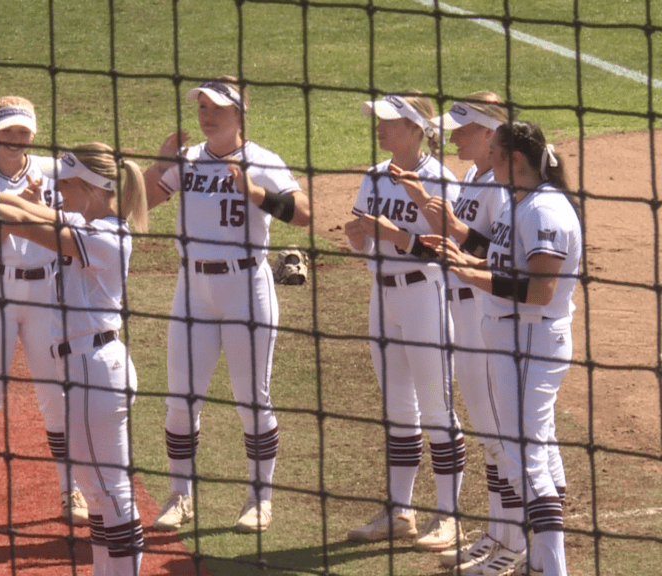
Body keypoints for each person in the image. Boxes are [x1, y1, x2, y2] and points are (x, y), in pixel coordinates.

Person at [0, 142, 148, 575]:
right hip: (85, 366)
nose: (57, 189)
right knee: (99, 494)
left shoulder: (103, 235)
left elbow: (21, 221)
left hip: (96, 371)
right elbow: (19, 207)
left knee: (111, 493)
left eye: (64, 182)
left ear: (88, 186)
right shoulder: (87, 220)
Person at [141, 76, 312, 533]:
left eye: (216, 106)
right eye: (201, 106)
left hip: (246, 287)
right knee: (180, 400)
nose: (206, 114)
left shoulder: (263, 161)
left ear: (239, 112)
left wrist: (255, 193)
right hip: (192, 289)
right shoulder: (188, 161)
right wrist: (157, 165)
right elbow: (133, 205)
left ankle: (260, 499)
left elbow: (306, 213)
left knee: (251, 400)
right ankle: (180, 496)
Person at [423, 120, 579, 576]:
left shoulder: (544, 212)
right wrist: (464, 255)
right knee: (540, 452)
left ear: (514, 160)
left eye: (494, 154)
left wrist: (472, 276)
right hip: (512, 338)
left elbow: (540, 290)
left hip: (531, 341)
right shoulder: (518, 203)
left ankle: (551, 569)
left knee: (523, 456)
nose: (487, 161)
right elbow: (502, 256)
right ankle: (541, 560)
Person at [0, 96, 87, 530]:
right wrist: (17, 212)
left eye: (23, 132)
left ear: (33, 133)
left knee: (58, 398)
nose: (15, 139)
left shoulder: (55, 172)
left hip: (48, 290)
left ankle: (72, 489)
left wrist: (36, 208)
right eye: (7, 130)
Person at [342, 91, 465, 551]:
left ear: (416, 128)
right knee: (397, 411)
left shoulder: (438, 179)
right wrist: (358, 236)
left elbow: (447, 248)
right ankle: (399, 511)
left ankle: (449, 517)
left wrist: (392, 233)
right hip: (383, 298)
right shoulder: (374, 177)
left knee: (437, 410)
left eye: (389, 120)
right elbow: (361, 240)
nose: (379, 126)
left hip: (425, 296)